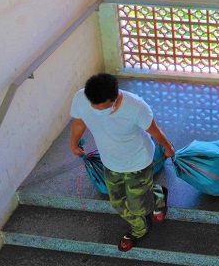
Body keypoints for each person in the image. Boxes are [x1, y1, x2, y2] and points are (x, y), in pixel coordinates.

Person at [70, 73, 176, 252]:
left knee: (138, 206)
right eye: (94, 107)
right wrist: (74, 144)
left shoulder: (136, 107)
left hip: (138, 162)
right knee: (117, 203)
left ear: (116, 96)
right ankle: (139, 229)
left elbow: (155, 131)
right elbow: (79, 123)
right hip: (110, 162)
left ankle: (158, 194)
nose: (98, 112)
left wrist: (167, 147)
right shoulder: (81, 98)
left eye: (103, 108)